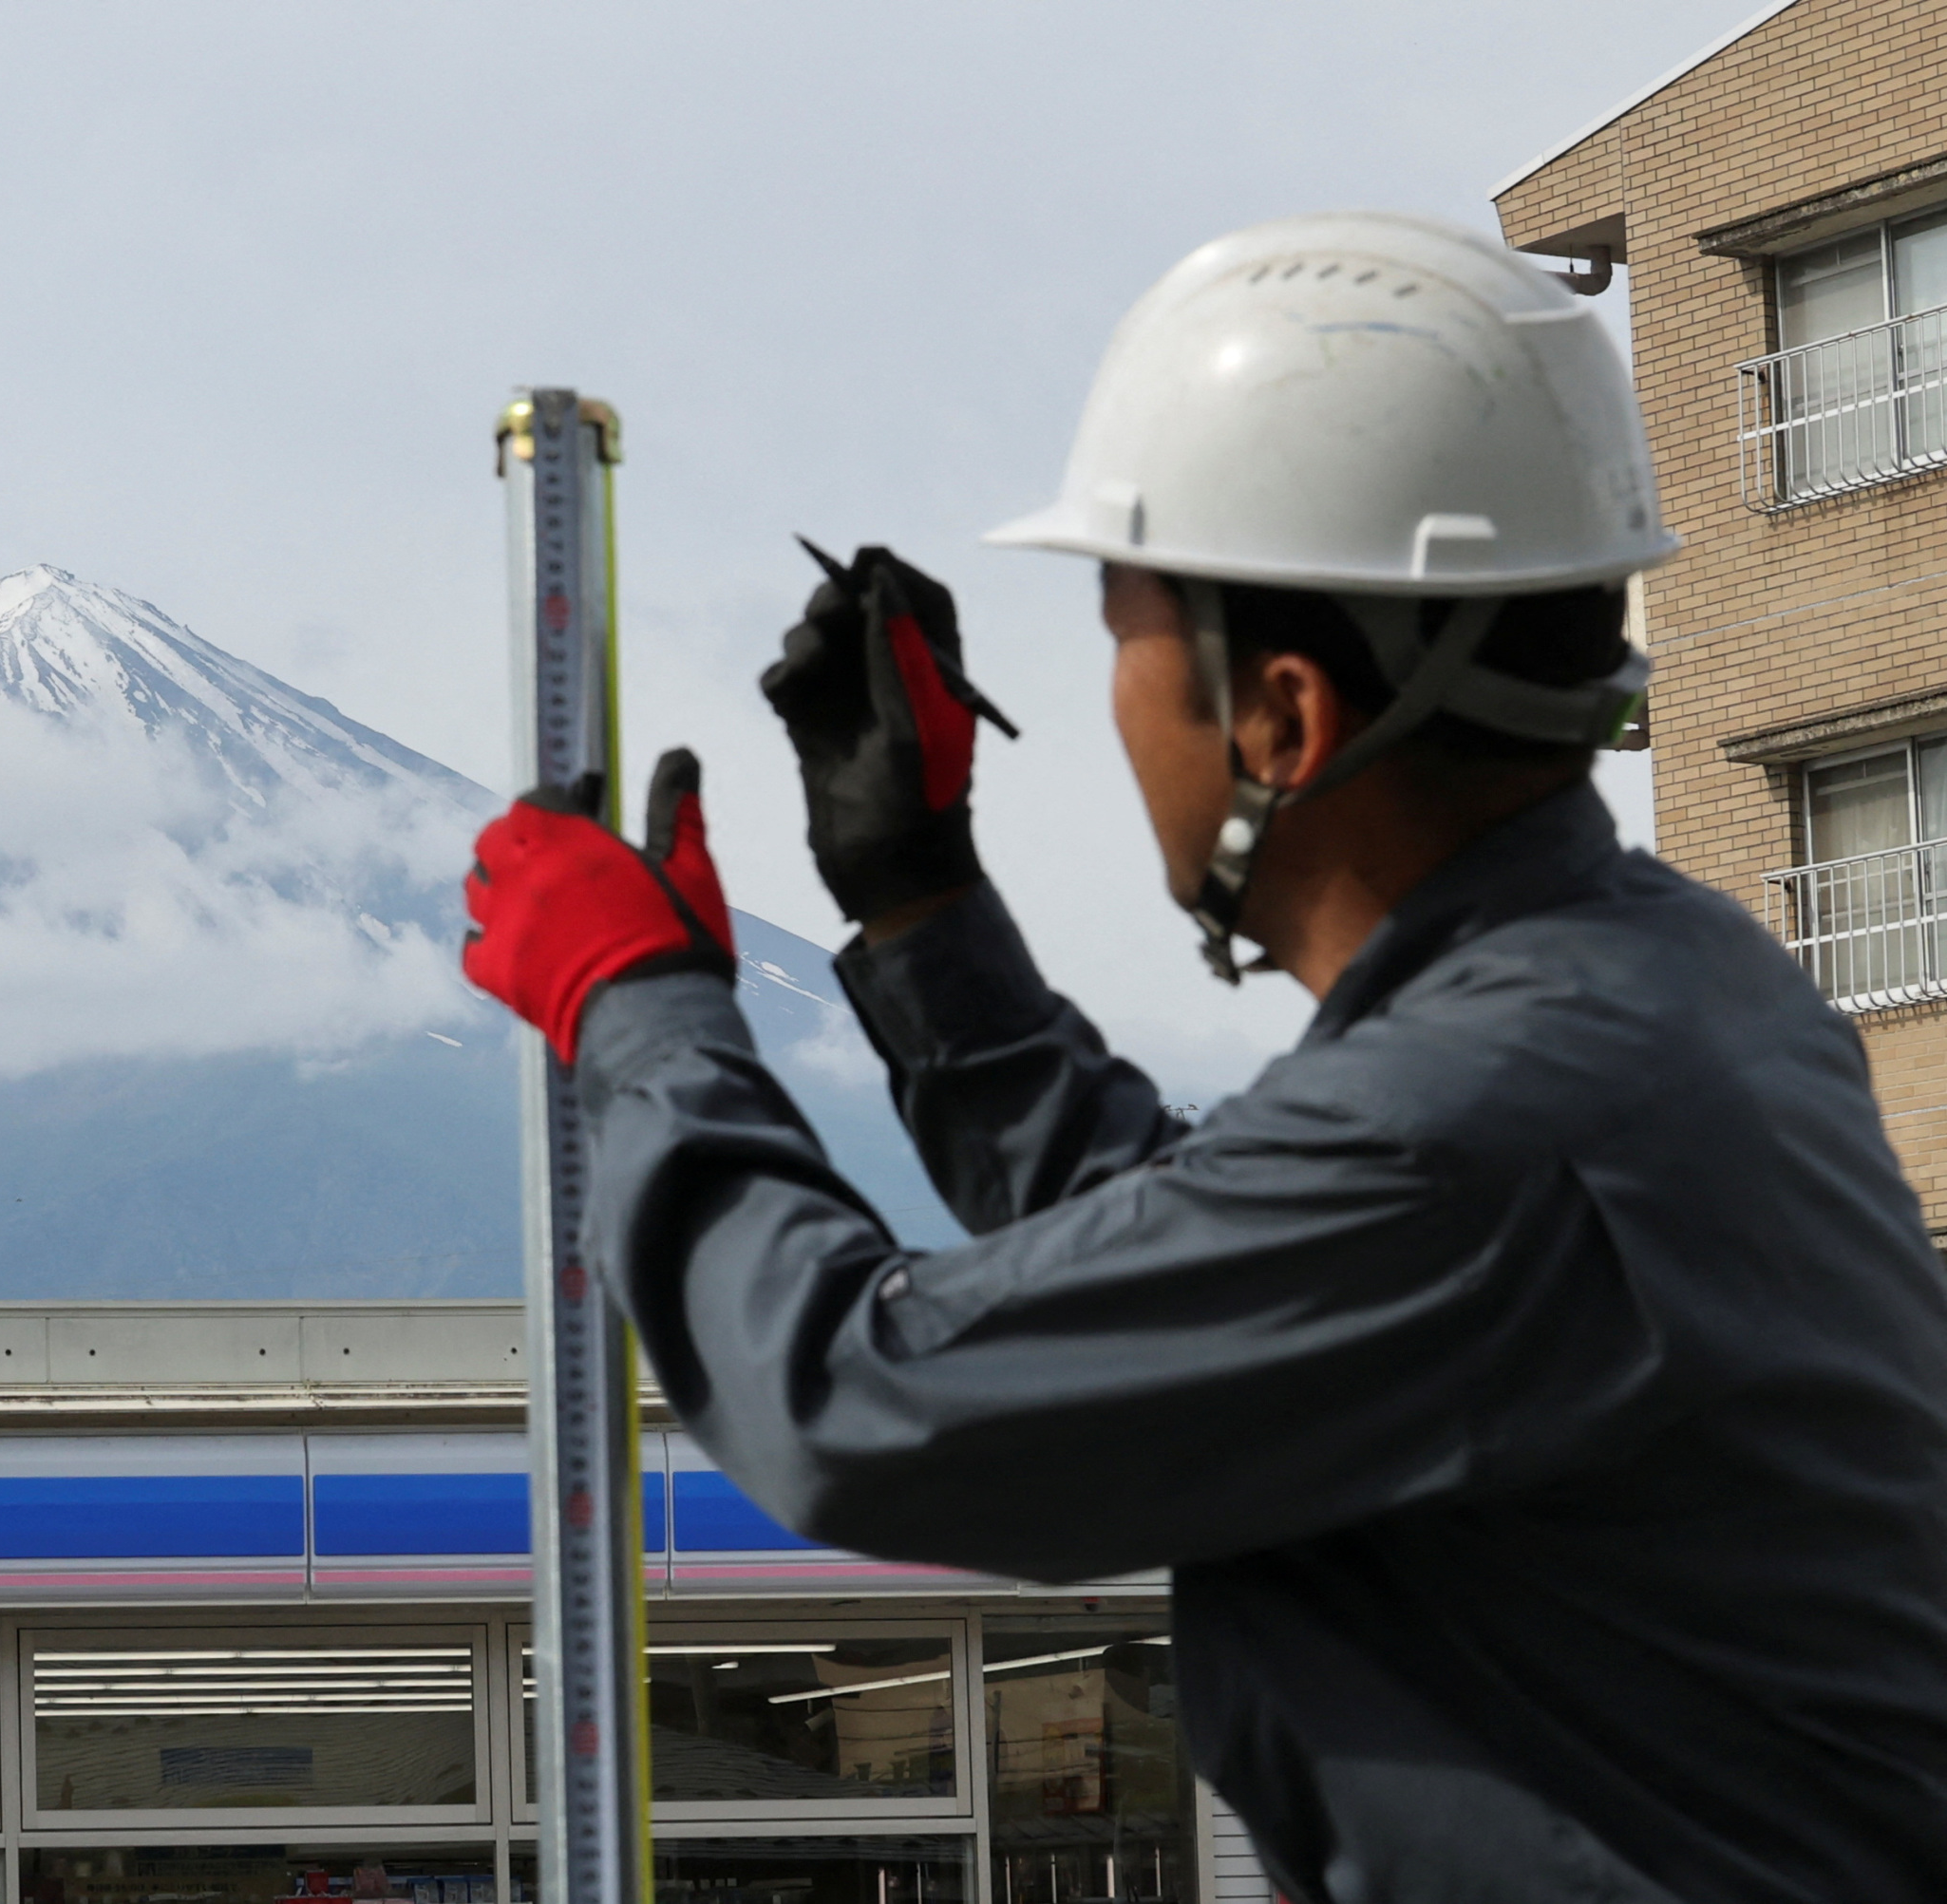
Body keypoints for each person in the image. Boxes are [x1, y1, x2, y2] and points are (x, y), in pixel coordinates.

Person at [459, 212, 1947, 1903]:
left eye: (1122, 630)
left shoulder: (1488, 1115)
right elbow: (1198, 1243)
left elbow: (870, 1400)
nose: (1106, 700)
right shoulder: (1656, 996)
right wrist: (917, 904)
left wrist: (635, 1009)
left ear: (1284, 719)